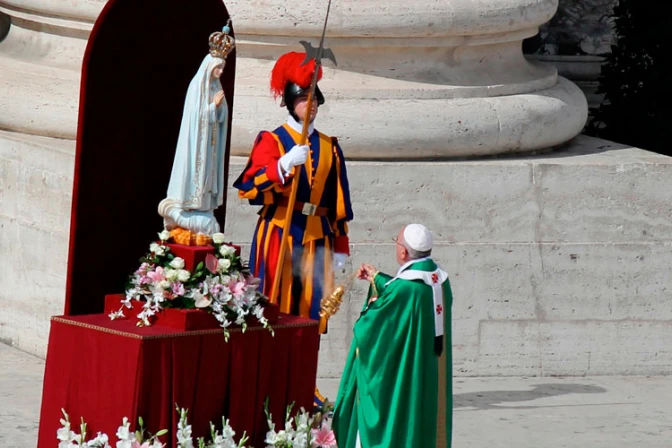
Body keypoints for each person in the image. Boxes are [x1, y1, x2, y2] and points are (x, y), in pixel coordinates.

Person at [233, 51, 353, 336]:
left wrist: (341, 245)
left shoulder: (330, 146)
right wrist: (282, 166)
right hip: (279, 232)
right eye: (303, 98)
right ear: (290, 102)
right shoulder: (273, 140)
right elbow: (250, 187)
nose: (310, 105)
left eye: (313, 99)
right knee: (274, 308)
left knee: (313, 311)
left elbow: (339, 201)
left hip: (318, 235)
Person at [332, 224, 453, 447]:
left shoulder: (405, 289)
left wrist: (371, 306)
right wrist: (376, 277)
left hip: (406, 372)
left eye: (396, 242)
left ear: (403, 252)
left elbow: (370, 329)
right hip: (429, 370)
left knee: (401, 414)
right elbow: (403, 296)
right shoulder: (441, 282)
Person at [158, 24, 235, 244]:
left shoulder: (215, 87)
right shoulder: (197, 87)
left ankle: (202, 206)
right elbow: (195, 118)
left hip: (211, 145)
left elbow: (222, 117)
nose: (220, 73)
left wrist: (219, 109)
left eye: (222, 69)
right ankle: (184, 207)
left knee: (208, 179)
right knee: (196, 175)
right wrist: (213, 107)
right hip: (197, 145)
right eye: (217, 69)